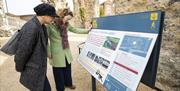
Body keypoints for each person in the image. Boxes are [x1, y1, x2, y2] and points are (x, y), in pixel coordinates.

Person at [14, 3, 58, 91]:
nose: (53, 19)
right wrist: (19, 67)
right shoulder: (32, 27)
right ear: (45, 15)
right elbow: (22, 51)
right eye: (52, 16)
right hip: (32, 69)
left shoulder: (41, 26)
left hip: (38, 69)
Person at [46, 9, 91, 91]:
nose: (69, 20)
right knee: (58, 72)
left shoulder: (67, 24)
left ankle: (68, 84)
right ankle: (60, 88)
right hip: (56, 53)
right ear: (63, 15)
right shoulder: (51, 25)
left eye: (70, 19)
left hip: (66, 51)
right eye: (68, 18)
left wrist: (88, 31)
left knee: (67, 68)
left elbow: (75, 30)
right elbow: (45, 40)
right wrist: (48, 52)